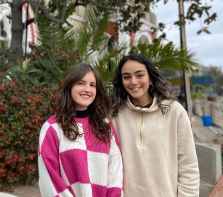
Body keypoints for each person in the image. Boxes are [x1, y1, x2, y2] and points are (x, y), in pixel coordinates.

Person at [110, 54, 199, 197]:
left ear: (150, 78)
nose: (133, 82)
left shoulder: (175, 112)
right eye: (126, 77)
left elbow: (188, 165)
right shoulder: (114, 114)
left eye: (139, 75)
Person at [38, 63, 123, 197]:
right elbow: (49, 179)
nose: (87, 89)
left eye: (92, 85)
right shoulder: (52, 128)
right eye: (81, 83)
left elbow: (115, 171)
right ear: (70, 86)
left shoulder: (105, 125)